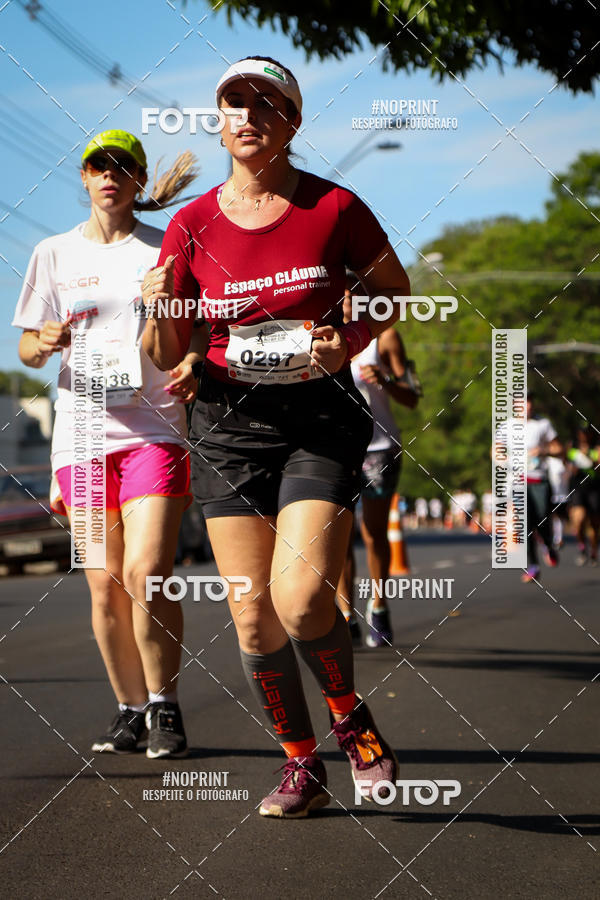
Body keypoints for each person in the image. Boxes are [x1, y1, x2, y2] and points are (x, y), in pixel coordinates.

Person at [142, 56, 411, 817]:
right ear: (219, 120)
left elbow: (394, 293)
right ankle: (301, 765)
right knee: (252, 613)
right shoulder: (192, 225)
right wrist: (162, 311)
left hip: (317, 419)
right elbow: (165, 354)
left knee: (299, 601)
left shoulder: (334, 206)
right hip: (228, 426)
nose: (248, 115)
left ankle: (350, 717)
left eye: (266, 103)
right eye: (233, 103)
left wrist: (347, 336)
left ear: (292, 121)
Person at [13, 129, 200, 758]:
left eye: (124, 166)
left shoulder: (165, 248)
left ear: (140, 180)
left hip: (153, 429)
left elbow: (196, 330)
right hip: (83, 435)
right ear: (85, 177)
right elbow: (26, 346)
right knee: (105, 583)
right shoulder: (53, 253)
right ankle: (128, 708)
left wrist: (190, 355)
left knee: (148, 573)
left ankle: (165, 706)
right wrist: (46, 341)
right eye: (99, 165)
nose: (110, 175)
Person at [336, 282, 419, 647]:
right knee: (336, 534)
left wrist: (384, 379)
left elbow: (413, 397)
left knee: (372, 532)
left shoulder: (384, 339)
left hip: (379, 447)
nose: (347, 301)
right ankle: (344, 614)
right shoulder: (321, 335)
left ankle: (379, 605)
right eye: (342, 295)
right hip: (336, 447)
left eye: (353, 294)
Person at [522, 392, 563, 583]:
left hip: (539, 481)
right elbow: (495, 450)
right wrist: (501, 457)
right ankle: (533, 565)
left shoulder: (542, 424)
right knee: (525, 524)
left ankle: (548, 544)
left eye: (529, 401)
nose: (527, 405)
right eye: (522, 402)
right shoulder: (506, 427)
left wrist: (543, 450)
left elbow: (558, 448)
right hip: (519, 481)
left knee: (542, 520)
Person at [566, 426, 600, 566]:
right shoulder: (572, 449)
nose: (584, 436)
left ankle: (593, 551)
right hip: (578, 488)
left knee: (594, 524)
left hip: (594, 489)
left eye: (587, 433)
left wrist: (588, 459)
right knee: (579, 519)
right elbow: (567, 466)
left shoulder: (596, 449)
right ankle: (582, 547)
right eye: (581, 433)